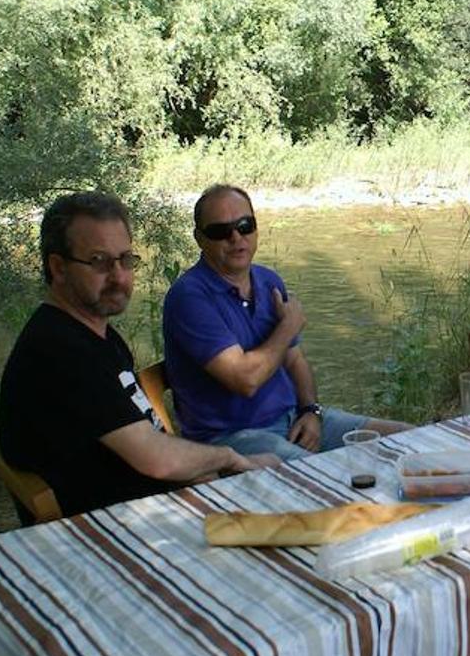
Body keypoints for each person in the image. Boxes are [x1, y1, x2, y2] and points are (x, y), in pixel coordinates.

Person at [0, 192, 279, 517]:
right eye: (99, 262)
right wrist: (231, 458)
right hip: (119, 528)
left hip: (156, 499)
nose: (119, 277)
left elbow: (146, 437)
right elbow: (156, 459)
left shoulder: (94, 334)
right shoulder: (62, 352)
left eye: (126, 259)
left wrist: (201, 471)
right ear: (59, 268)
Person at [162, 184, 409, 461]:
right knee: (322, 477)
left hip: (293, 419)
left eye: (245, 225)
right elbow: (246, 379)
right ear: (200, 239)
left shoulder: (268, 282)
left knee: (408, 438)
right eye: (220, 231)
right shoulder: (190, 298)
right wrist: (288, 327)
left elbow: (294, 361)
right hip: (232, 439)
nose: (236, 237)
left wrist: (310, 412)